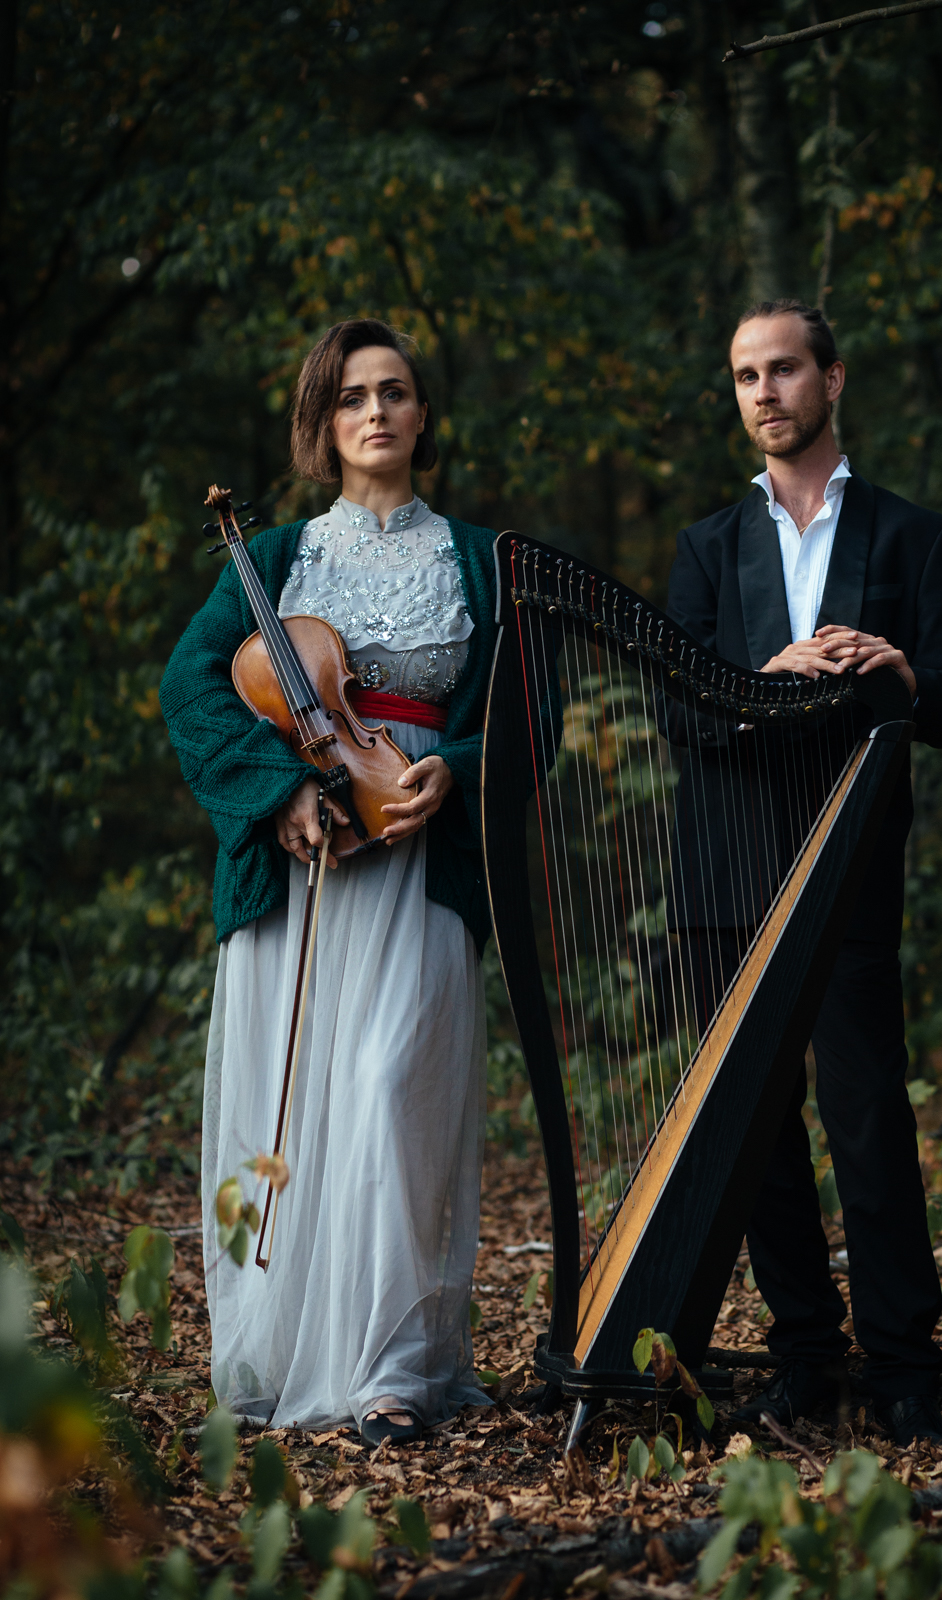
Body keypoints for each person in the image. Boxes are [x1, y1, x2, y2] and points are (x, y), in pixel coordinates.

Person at [161, 318, 499, 1445]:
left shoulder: (477, 558)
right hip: (300, 867)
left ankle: (390, 1367)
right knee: (293, 1107)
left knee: (392, 1089)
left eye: (394, 391)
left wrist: (460, 766)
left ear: (421, 412)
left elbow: (524, 717)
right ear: (324, 420)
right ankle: (280, 1350)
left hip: (420, 860)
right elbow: (191, 690)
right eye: (352, 396)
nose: (376, 412)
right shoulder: (275, 559)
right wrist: (280, 794)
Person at [664, 299, 942, 1446]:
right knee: (758, 1133)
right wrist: (765, 677)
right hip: (732, 866)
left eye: (785, 369)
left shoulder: (915, 537)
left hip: (848, 862)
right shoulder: (708, 546)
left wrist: (902, 670)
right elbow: (684, 715)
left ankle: (903, 1359)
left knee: (868, 1117)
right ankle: (805, 1351)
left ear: (833, 379)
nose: (765, 391)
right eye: (745, 374)